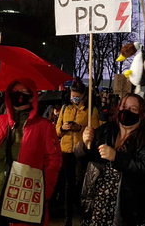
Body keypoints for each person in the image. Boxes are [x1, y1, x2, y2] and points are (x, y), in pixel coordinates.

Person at [0, 78, 62, 226]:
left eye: (24, 92)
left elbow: (54, 162)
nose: (19, 96)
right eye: (15, 92)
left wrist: (42, 194)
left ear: (33, 96)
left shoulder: (44, 126)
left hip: (23, 200)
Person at [77, 93, 145, 226]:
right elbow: (83, 157)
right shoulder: (106, 130)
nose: (127, 111)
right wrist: (85, 144)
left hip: (127, 210)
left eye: (133, 109)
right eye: (124, 106)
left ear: (141, 114)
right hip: (98, 205)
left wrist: (117, 157)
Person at [56, 79, 100, 226]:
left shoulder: (90, 110)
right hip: (66, 151)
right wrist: (63, 128)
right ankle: (68, 218)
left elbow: (94, 130)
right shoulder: (64, 109)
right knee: (68, 184)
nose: (74, 98)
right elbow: (57, 130)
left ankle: (82, 213)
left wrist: (79, 128)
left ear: (83, 96)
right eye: (72, 95)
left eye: (76, 96)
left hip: (81, 152)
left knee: (80, 183)